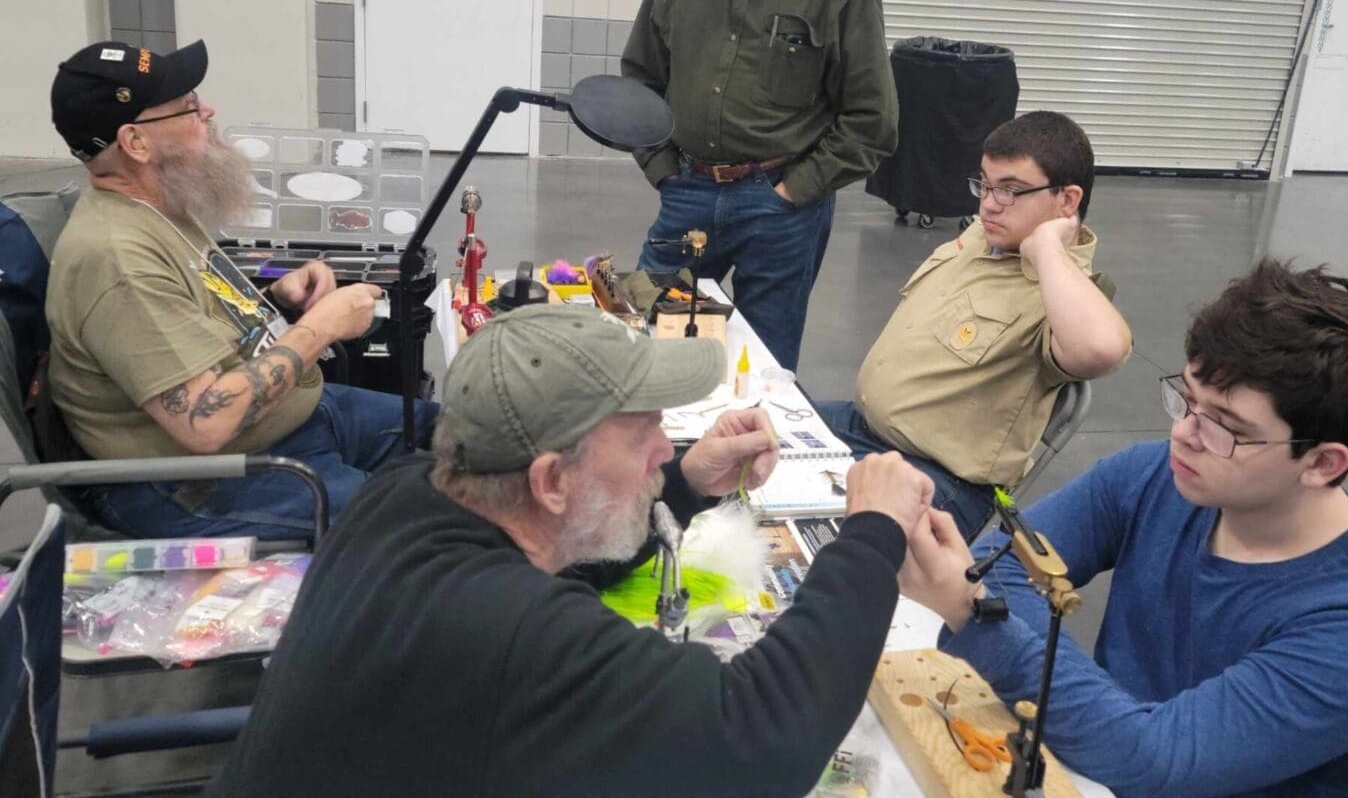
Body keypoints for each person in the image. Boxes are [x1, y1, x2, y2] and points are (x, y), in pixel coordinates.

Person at [212, 306, 935, 797]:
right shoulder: (515, 633)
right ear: (551, 479)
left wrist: (679, 483)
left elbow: (570, 548)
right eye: (645, 429)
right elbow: (763, 739)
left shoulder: (404, 494)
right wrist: (870, 535)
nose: (666, 442)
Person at [898, 260, 1348, 796]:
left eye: (1225, 427)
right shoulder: (1162, 476)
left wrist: (977, 615)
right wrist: (1110, 724)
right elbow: (1005, 561)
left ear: (1322, 464)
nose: (1184, 434)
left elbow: (1157, 766)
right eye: (1189, 398)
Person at [44, 39, 438, 538]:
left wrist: (279, 302)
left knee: (465, 435)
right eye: (188, 107)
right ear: (135, 143)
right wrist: (320, 329)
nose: (208, 112)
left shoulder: (157, 209)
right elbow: (204, 424)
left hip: (286, 422)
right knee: (428, 527)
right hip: (202, 481)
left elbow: (188, 324)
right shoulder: (116, 256)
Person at [623, 0, 898, 372]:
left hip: (781, 206)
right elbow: (640, 77)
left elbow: (872, 120)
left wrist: (794, 192)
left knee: (762, 372)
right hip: (687, 190)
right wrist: (664, 169)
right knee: (650, 353)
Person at [816, 111, 1131, 539]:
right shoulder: (988, 236)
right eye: (984, 183)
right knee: (734, 440)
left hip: (937, 479)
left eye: (1012, 190)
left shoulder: (1060, 293)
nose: (988, 203)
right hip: (861, 428)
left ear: (1068, 200)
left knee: (815, 549)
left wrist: (1046, 248)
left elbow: (1102, 348)